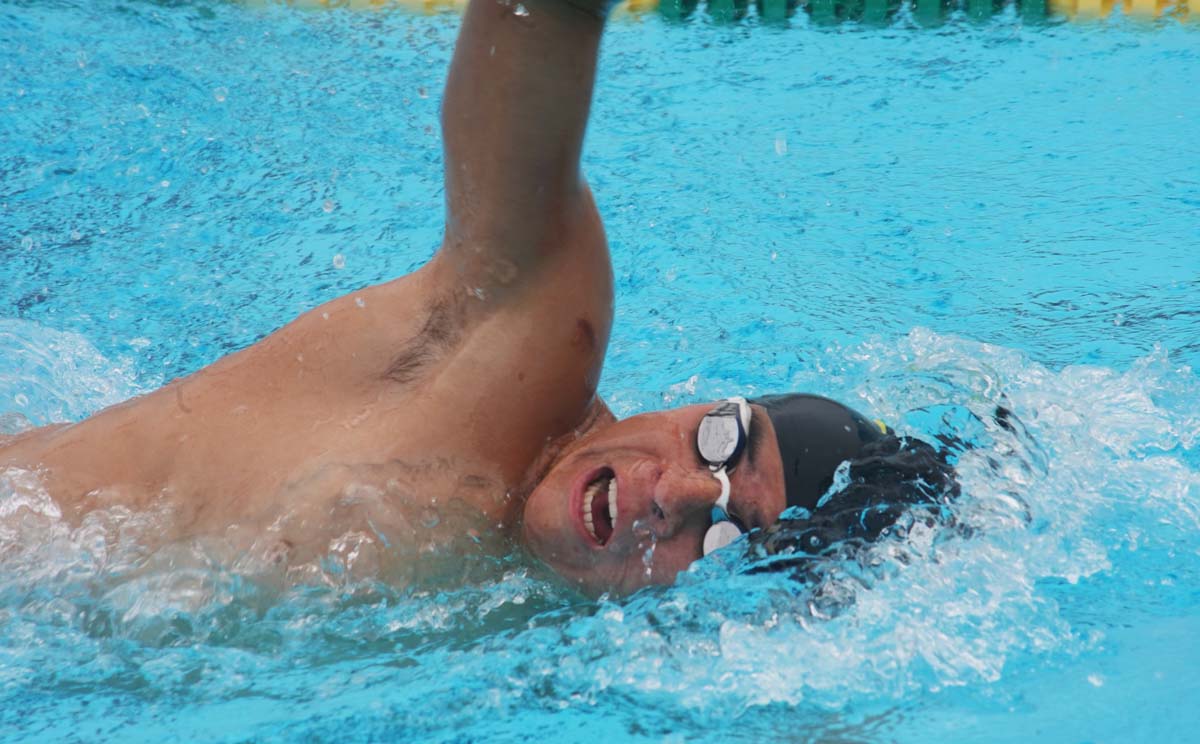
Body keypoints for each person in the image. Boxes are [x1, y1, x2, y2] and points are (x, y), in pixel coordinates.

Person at [0, 0, 955, 596]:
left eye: (722, 536)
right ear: (703, 403)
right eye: (719, 443)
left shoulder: (544, 644)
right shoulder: (525, 341)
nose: (673, 496)